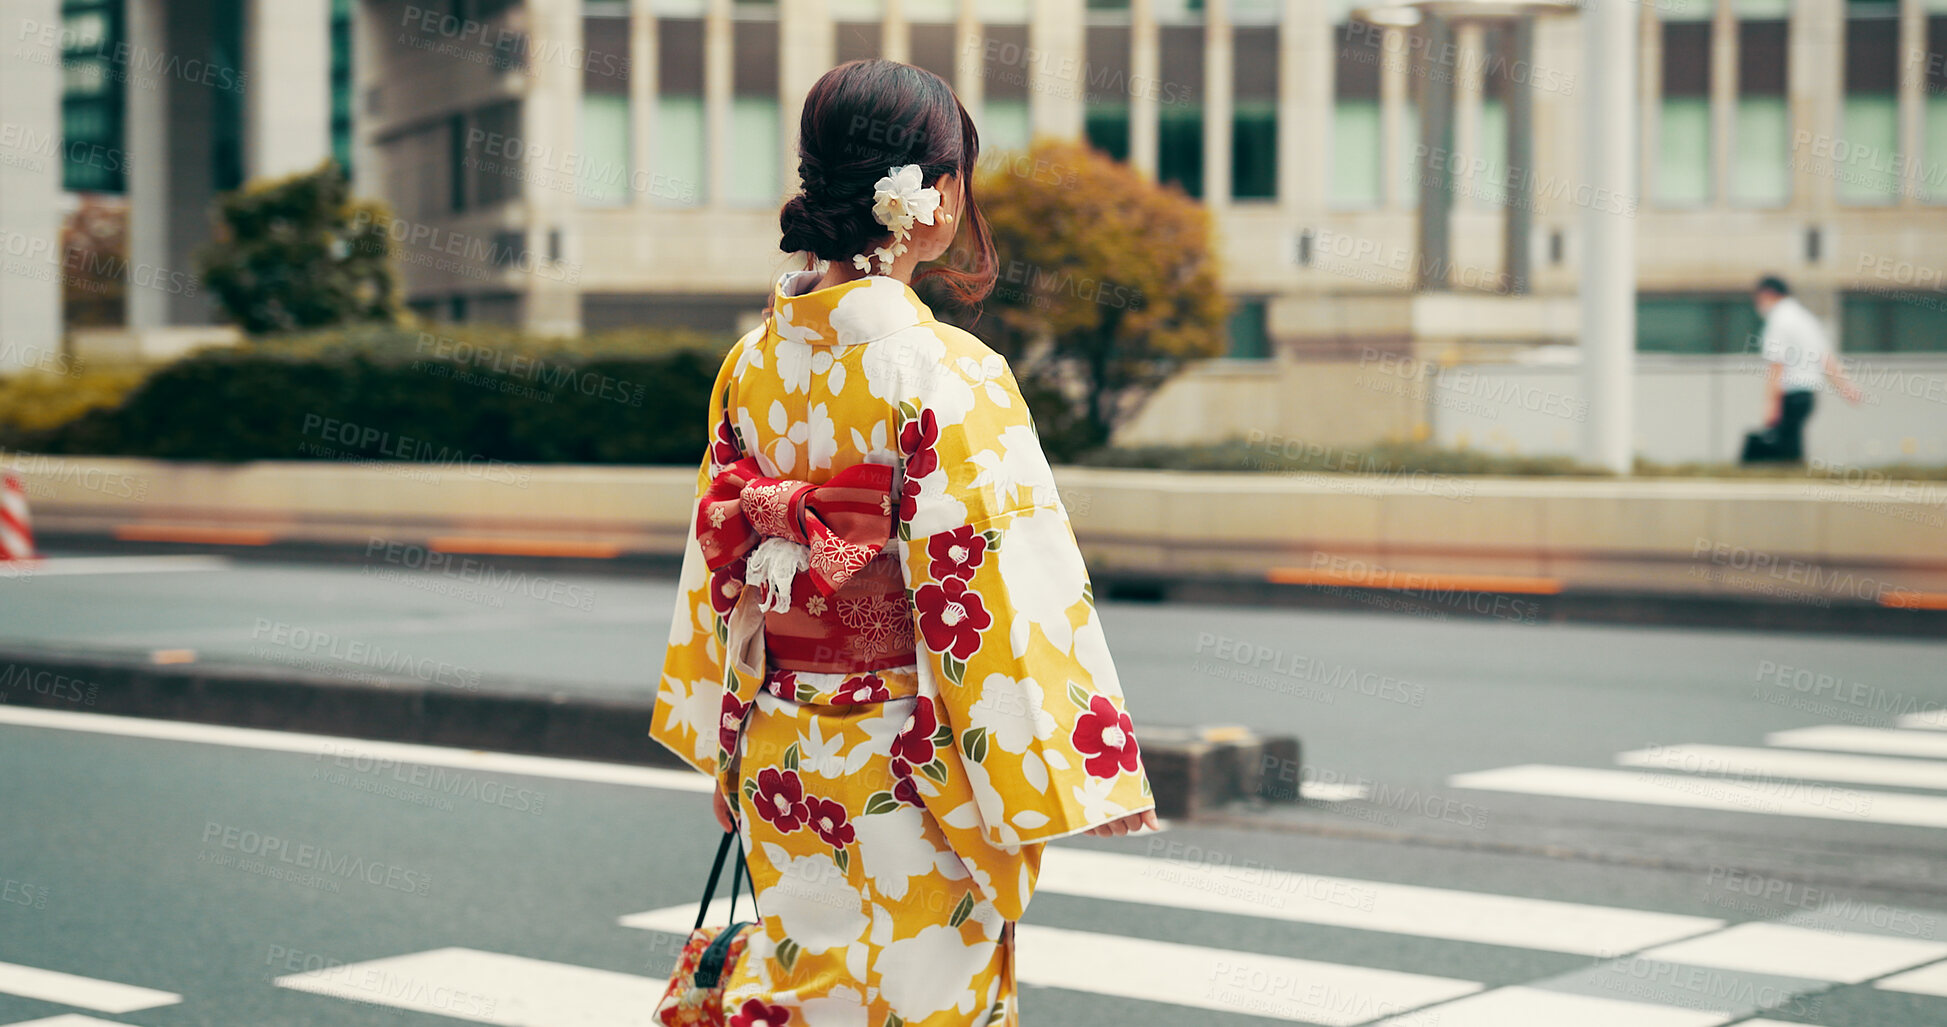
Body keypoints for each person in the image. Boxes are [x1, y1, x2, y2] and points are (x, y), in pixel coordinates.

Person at [651, 58, 1158, 1027]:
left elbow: (720, 565)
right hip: (907, 764)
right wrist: (1067, 762)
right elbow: (995, 590)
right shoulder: (942, 366)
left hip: (783, 750)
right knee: (919, 1002)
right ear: (933, 194)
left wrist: (725, 740)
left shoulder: (753, 359)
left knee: (813, 994)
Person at [1743, 275, 1863, 464]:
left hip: (1790, 393)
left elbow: (1777, 364)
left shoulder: (1779, 320)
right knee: (1791, 442)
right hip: (1807, 395)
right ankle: (1794, 472)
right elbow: (1825, 358)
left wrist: (1771, 404)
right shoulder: (1806, 319)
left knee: (1784, 450)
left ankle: (1788, 478)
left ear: (1768, 294)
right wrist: (1846, 387)